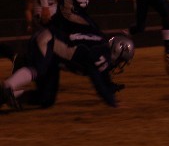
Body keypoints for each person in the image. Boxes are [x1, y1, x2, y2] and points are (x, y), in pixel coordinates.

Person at [1, 32, 134, 110]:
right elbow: (97, 80)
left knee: (46, 99)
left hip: (54, 56)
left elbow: (102, 75)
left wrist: (109, 86)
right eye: (121, 60)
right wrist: (111, 101)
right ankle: (7, 86)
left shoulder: (102, 53)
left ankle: (9, 96)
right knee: (40, 68)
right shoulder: (99, 53)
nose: (119, 64)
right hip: (49, 41)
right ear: (116, 51)